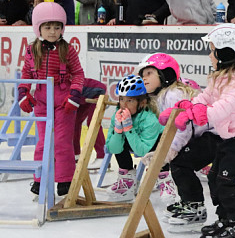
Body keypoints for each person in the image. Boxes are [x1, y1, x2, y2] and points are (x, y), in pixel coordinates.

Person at [162, 24, 235, 238]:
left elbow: (221, 109)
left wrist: (199, 115)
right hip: (229, 140)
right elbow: (206, 97)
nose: (210, 55)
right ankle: (225, 220)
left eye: (213, 50)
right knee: (217, 180)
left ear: (227, 53)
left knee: (226, 182)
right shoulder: (220, 77)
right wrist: (187, 107)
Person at [136, 53, 220, 222]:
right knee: (179, 163)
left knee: (181, 163)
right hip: (203, 136)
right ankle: (188, 202)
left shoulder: (173, 94)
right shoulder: (163, 95)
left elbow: (184, 128)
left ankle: (194, 206)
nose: (144, 78)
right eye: (142, 75)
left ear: (165, 74)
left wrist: (171, 151)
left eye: (149, 73)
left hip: (213, 136)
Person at [18, 2, 85, 196]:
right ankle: (40, 178)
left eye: (57, 27)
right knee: (43, 142)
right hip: (41, 99)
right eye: (47, 27)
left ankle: (65, 180)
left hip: (63, 101)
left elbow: (78, 74)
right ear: (38, 28)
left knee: (63, 142)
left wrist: (74, 95)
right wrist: (23, 93)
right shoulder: (32, 51)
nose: (53, 32)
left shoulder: (67, 49)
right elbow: (26, 73)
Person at [105, 74, 164, 202]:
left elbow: (142, 151)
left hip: (154, 146)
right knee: (119, 142)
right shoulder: (117, 114)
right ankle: (127, 181)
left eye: (130, 100)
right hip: (136, 140)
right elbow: (112, 148)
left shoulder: (151, 120)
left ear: (142, 103)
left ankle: (163, 178)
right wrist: (118, 130)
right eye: (121, 99)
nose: (123, 105)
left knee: (155, 147)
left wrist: (128, 128)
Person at [72, 78, 107, 170]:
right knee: (74, 122)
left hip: (98, 92)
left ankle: (102, 157)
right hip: (81, 96)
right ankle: (75, 156)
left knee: (93, 122)